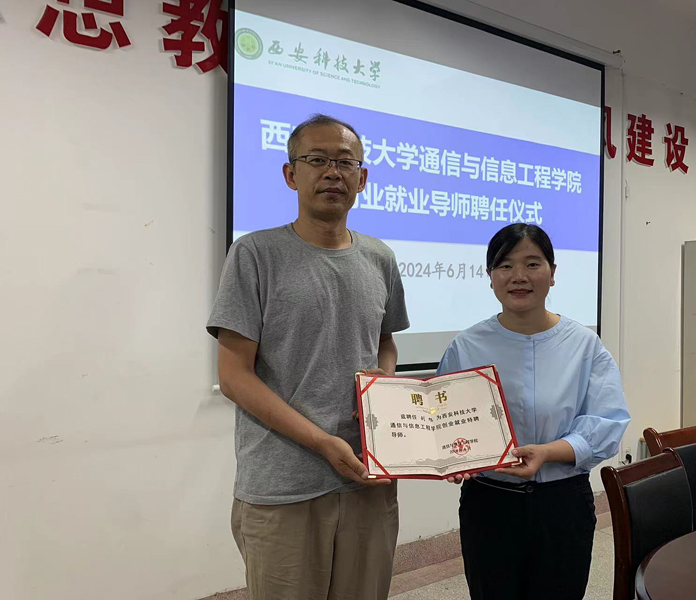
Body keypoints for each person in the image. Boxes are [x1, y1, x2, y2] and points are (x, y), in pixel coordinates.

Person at [206, 114, 410, 600]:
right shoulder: (254, 254)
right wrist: (321, 442)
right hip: (285, 486)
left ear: (363, 177)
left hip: (369, 476)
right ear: (290, 174)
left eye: (345, 162)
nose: (333, 172)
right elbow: (234, 376)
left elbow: (385, 342)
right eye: (317, 160)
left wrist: (383, 392)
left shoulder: (380, 257)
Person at [436, 223, 630, 600]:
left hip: (563, 503)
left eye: (532, 264)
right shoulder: (466, 346)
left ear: (552, 273)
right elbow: (443, 419)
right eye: (505, 265)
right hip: (488, 504)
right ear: (490, 276)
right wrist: (452, 458)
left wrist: (548, 452)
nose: (519, 276)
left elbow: (607, 422)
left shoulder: (583, 345)